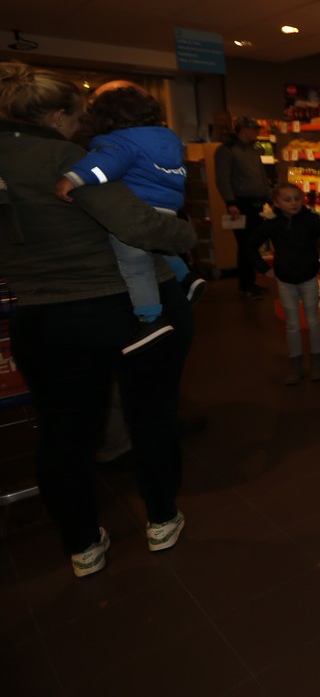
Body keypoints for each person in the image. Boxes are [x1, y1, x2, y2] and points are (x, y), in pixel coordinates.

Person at [0, 61, 196, 577]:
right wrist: (186, 237)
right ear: (58, 115)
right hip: (121, 306)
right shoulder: (67, 158)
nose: (81, 124)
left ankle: (83, 545)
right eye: (77, 115)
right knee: (150, 417)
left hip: (42, 316)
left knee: (63, 434)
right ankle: (161, 519)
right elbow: (137, 225)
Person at [53, 85, 201, 353]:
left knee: (135, 266)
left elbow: (103, 166)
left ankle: (150, 319)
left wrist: (73, 179)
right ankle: (187, 277)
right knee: (157, 247)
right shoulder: (167, 137)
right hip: (168, 207)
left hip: (138, 208)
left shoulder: (118, 141)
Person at [245, 182, 320, 384]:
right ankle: (296, 365)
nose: (293, 203)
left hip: (309, 277)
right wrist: (264, 269)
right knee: (292, 325)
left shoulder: (311, 221)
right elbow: (249, 245)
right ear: (276, 203)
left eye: (297, 199)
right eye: (287, 199)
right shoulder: (272, 224)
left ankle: (317, 363)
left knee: (313, 321)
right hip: (285, 280)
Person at [214, 115, 271, 298]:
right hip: (240, 204)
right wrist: (230, 202)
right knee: (246, 244)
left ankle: (250, 283)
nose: (257, 132)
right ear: (244, 130)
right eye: (254, 129)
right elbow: (223, 179)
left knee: (252, 244)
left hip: (257, 203)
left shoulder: (253, 150)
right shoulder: (226, 150)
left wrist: (270, 198)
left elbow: (262, 177)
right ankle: (246, 285)